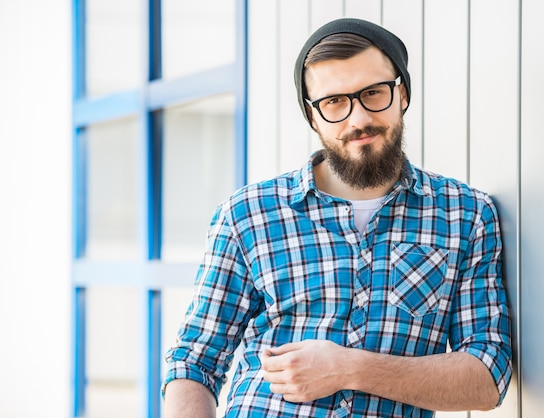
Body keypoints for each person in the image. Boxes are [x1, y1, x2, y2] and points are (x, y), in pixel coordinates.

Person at [162, 17, 512, 418]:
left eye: (373, 93)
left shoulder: (465, 215)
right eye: (334, 102)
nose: (358, 118)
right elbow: (195, 362)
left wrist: (348, 368)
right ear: (312, 116)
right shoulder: (247, 215)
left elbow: (487, 377)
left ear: (403, 94)